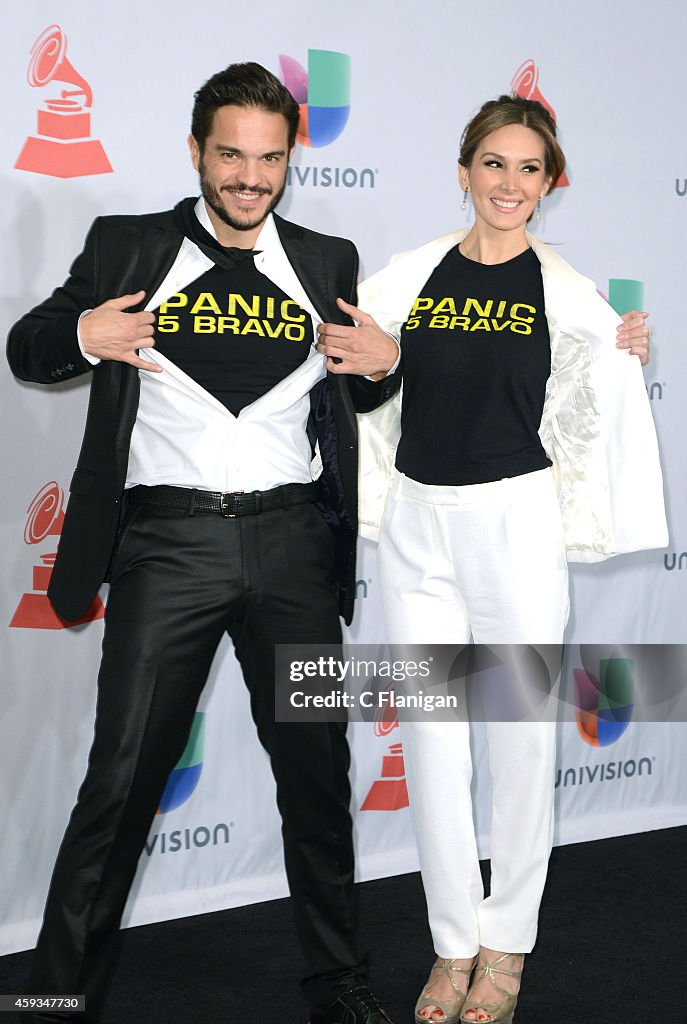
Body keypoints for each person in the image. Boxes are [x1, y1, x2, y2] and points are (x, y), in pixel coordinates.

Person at [6, 63, 400, 1024]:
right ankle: (57, 998)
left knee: (315, 778)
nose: (250, 177)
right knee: (120, 783)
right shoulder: (129, 245)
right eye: (231, 154)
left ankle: (338, 982)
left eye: (268, 159)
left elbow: (355, 388)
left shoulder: (326, 257)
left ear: (289, 160)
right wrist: (88, 333)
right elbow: (30, 346)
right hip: (168, 545)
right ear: (197, 151)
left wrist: (388, 368)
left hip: (294, 545)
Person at [316, 95, 665, 1024]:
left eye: (528, 169)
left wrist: (624, 345)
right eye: (493, 164)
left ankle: (505, 944)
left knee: (515, 741)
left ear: (550, 184)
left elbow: (603, 381)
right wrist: (378, 360)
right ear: (464, 169)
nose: (508, 184)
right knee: (430, 743)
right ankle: (450, 944)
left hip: (515, 528)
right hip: (418, 529)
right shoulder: (405, 278)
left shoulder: (570, 293)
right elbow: (354, 377)